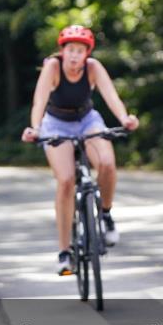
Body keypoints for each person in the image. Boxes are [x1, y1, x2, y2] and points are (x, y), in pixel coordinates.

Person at [21, 25, 139, 275]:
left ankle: (105, 214)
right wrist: (35, 128)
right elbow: (39, 102)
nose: (75, 56)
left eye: (80, 51)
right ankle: (65, 252)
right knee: (65, 180)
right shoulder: (53, 67)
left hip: (87, 120)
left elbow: (111, 96)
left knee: (106, 162)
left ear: (87, 53)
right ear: (62, 51)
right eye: (70, 50)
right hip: (56, 123)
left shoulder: (93, 68)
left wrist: (124, 118)